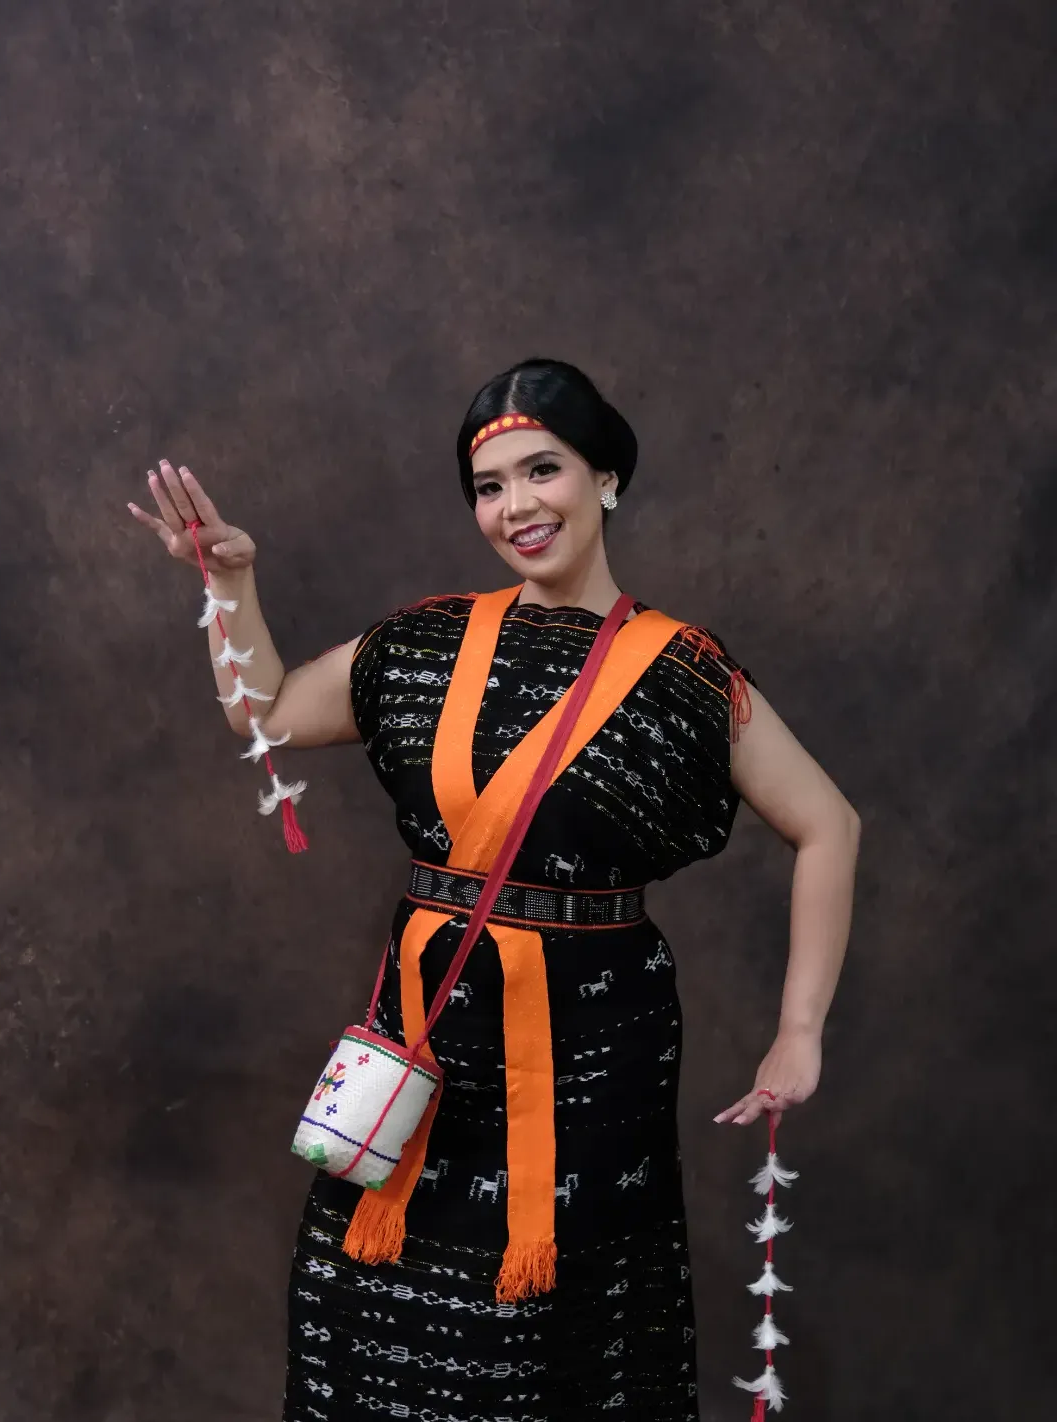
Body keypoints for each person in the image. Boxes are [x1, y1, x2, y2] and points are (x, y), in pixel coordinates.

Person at [129, 358, 860, 1420]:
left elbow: (828, 824)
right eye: (489, 486)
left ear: (605, 478)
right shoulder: (425, 642)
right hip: (423, 1037)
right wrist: (229, 584)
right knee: (365, 1318)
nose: (516, 505)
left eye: (542, 470)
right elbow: (267, 710)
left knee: (552, 1347)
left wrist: (800, 1031)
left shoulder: (683, 672)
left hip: (593, 1053)